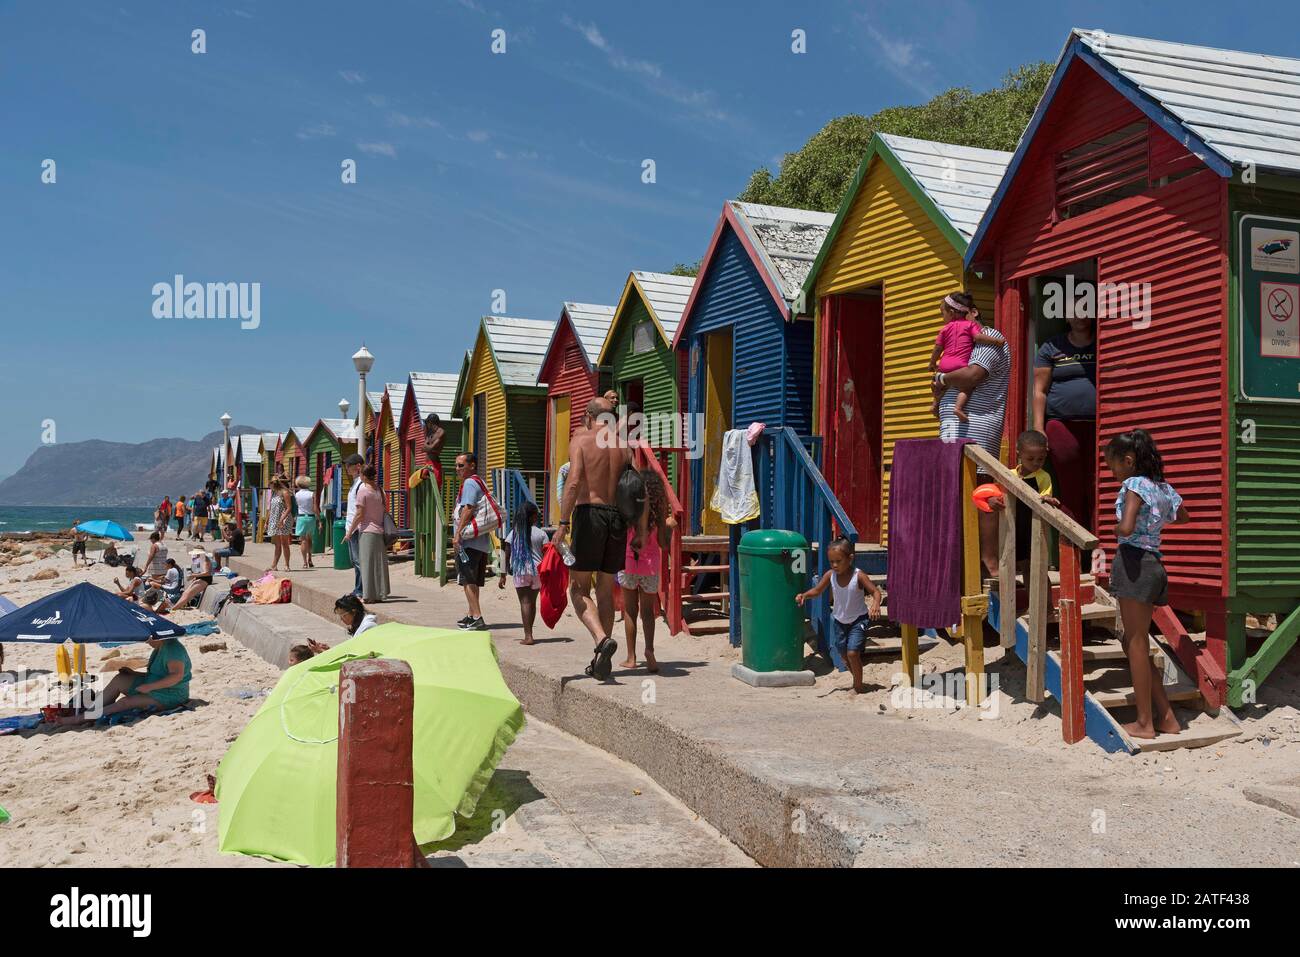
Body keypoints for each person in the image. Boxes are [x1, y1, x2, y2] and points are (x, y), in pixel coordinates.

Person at [1104, 429, 1188, 740]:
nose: (1112, 472)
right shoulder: (1162, 488)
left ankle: (1144, 723)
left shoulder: (1134, 485)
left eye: (1113, 465)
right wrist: (1154, 522)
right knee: (1134, 641)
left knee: (1136, 642)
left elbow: (1126, 528)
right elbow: (1183, 517)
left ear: (1128, 460)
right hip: (1154, 564)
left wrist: (1117, 529)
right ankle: (1166, 717)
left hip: (1134, 564)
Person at [551, 396, 631, 680]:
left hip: (590, 515)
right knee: (606, 591)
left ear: (588, 415)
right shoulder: (624, 446)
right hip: (618, 518)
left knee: (578, 589)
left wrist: (562, 523)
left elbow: (573, 481)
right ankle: (601, 659)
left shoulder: (582, 439)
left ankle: (600, 639)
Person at [934, 295, 1012, 578]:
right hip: (959, 425)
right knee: (961, 492)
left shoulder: (988, 336)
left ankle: (988, 565)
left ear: (973, 313)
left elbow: (971, 375)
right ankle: (966, 564)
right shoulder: (966, 342)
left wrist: (941, 379)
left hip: (975, 427)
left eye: (953, 315)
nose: (949, 322)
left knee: (981, 491)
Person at [1033, 309, 1097, 531]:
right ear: (1067, 317)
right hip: (1061, 424)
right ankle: (1073, 551)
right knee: (1071, 486)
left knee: (1098, 486)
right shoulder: (1052, 346)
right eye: (1075, 312)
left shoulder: (1103, 342)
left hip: (1098, 426)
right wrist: (1038, 428)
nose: (1081, 316)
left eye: (1086, 311)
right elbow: (1039, 391)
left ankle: (1101, 548)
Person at [795, 537, 883, 694]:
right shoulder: (830, 575)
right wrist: (804, 595)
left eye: (838, 561)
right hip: (839, 621)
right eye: (831, 562)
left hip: (858, 620)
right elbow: (817, 591)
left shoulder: (859, 576)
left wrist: (875, 604)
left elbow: (875, 591)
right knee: (844, 655)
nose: (834, 565)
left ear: (850, 558)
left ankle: (858, 686)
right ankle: (857, 678)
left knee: (852, 653)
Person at [618, 468, 674, 672]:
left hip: (629, 563)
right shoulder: (659, 517)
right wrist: (669, 528)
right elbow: (663, 544)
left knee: (630, 611)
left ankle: (631, 657)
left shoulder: (629, 512)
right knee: (648, 613)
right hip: (650, 567)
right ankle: (649, 650)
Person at [65, 633, 191, 723]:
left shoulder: (173, 649)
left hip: (171, 694)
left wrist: (149, 687)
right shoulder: (161, 646)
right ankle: (92, 710)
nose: (147, 641)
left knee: (125, 702)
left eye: (148, 638)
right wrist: (133, 674)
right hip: (156, 687)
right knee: (120, 679)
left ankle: (79, 719)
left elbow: (176, 676)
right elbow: (157, 675)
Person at [987, 431, 1061, 576]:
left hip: (1031, 529)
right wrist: (992, 500)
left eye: (1040, 459)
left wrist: (1048, 500)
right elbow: (994, 493)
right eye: (1030, 458)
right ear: (1019, 454)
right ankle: (1009, 599)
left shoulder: (1043, 477)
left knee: (1032, 569)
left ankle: (1045, 600)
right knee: (1007, 564)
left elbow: (1046, 495)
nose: (1036, 463)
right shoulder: (1008, 474)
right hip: (1009, 526)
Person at [929, 294, 1006, 421]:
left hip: (944, 364)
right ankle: (958, 408)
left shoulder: (945, 329)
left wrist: (934, 367)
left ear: (974, 312)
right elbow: (977, 337)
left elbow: (971, 376)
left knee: (941, 385)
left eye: (943, 314)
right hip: (959, 364)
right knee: (965, 388)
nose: (942, 319)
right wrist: (997, 341)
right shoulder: (968, 327)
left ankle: (935, 404)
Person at [452, 452, 493, 631]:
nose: (457, 469)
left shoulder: (469, 483)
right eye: (456, 465)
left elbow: (468, 509)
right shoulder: (479, 481)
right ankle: (471, 614)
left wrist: (458, 533)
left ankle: (477, 617)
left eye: (461, 465)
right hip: (480, 541)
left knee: (467, 580)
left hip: (469, 542)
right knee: (473, 580)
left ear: (472, 465)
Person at [500, 501, 548, 645]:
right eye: (536, 515)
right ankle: (530, 633)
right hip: (538, 570)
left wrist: (503, 574)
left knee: (524, 602)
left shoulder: (514, 532)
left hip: (521, 569)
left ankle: (528, 636)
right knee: (532, 602)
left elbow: (506, 553)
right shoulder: (541, 533)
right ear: (532, 517)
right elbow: (547, 554)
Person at [346, 465, 389, 603]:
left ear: (363, 476)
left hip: (367, 531)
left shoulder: (363, 491)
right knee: (379, 564)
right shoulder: (380, 491)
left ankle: (368, 595)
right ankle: (381, 593)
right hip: (379, 531)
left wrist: (350, 531)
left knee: (366, 564)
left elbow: (359, 514)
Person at [158, 550, 213, 614]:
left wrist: (194, 575)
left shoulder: (205, 560)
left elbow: (207, 573)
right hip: (200, 578)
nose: (194, 556)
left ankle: (174, 608)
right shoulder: (198, 559)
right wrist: (195, 576)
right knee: (185, 593)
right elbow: (198, 571)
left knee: (188, 594)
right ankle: (175, 607)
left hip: (206, 579)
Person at [341, 453, 366, 597]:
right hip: (350, 527)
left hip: (355, 529)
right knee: (355, 561)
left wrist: (351, 530)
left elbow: (359, 510)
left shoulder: (361, 485)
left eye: (349, 465)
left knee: (358, 561)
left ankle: (361, 589)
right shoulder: (355, 484)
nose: (347, 468)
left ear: (358, 466)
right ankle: (358, 588)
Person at [264, 477, 294, 572]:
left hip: (284, 520)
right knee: (277, 544)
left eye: (271, 485)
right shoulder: (273, 493)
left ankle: (287, 565)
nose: (270, 487)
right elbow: (270, 509)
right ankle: (274, 565)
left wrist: (282, 519)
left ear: (275, 484)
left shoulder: (285, 493)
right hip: (274, 519)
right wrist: (266, 521)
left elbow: (289, 508)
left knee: (285, 543)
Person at [293, 476, 317, 569]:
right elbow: (315, 508)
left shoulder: (297, 494)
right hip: (311, 517)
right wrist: (318, 519)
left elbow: (296, 506)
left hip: (301, 517)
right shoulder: (312, 494)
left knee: (303, 540)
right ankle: (310, 559)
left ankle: (304, 562)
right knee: (310, 539)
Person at [423, 414, 446, 491]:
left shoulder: (441, 432)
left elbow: (429, 448)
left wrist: (428, 447)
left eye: (427, 423)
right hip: (428, 463)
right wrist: (428, 447)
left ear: (430, 422)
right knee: (427, 488)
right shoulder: (430, 434)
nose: (427, 425)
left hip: (434, 464)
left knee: (436, 488)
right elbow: (422, 448)